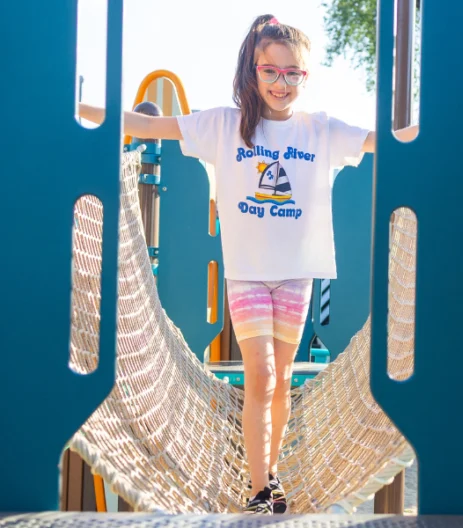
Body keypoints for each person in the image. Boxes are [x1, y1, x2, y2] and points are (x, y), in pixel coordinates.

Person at [79, 14, 417, 515]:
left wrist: (440, 126)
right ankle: (260, 490)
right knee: (259, 375)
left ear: (306, 77)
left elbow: (382, 141)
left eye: (292, 74)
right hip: (248, 273)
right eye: (271, 71)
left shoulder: (319, 130)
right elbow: (150, 124)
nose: (281, 83)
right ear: (253, 71)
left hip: (298, 272)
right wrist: (75, 110)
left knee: (280, 380)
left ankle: (270, 472)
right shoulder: (224, 125)